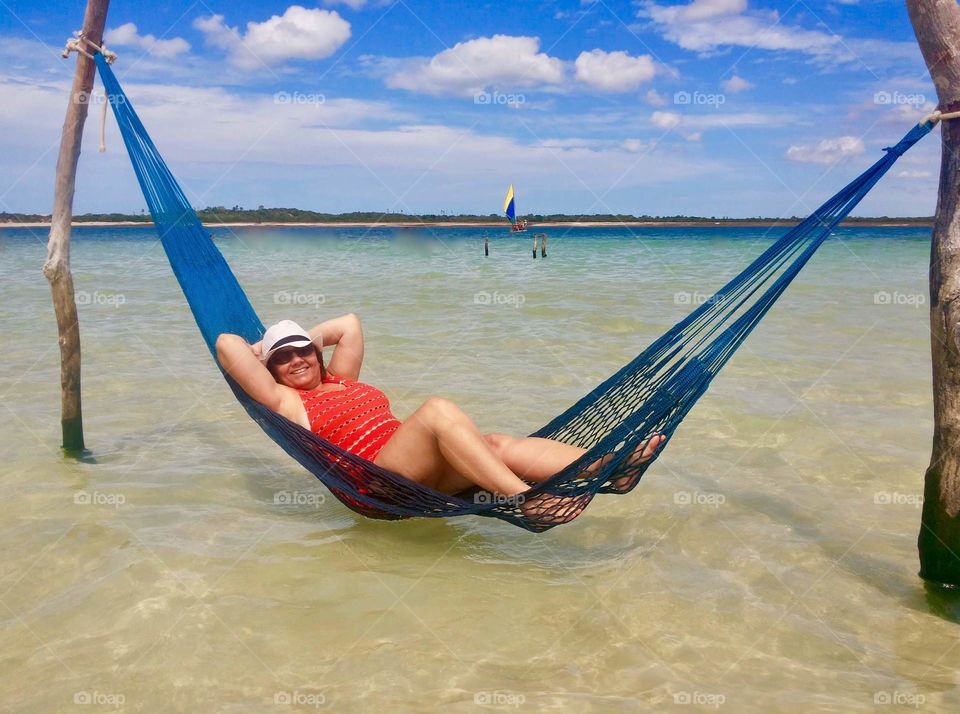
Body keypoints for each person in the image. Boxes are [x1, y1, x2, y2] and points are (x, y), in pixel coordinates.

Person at [216, 316, 664, 523]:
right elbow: (224, 343)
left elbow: (349, 324)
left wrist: (295, 337)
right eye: (283, 358)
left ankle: (611, 468)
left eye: (303, 352)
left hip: (418, 473)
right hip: (375, 485)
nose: (295, 360)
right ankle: (525, 501)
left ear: (318, 354)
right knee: (437, 411)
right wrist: (263, 348)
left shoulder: (343, 379)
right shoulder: (287, 403)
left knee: (494, 444)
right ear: (270, 371)